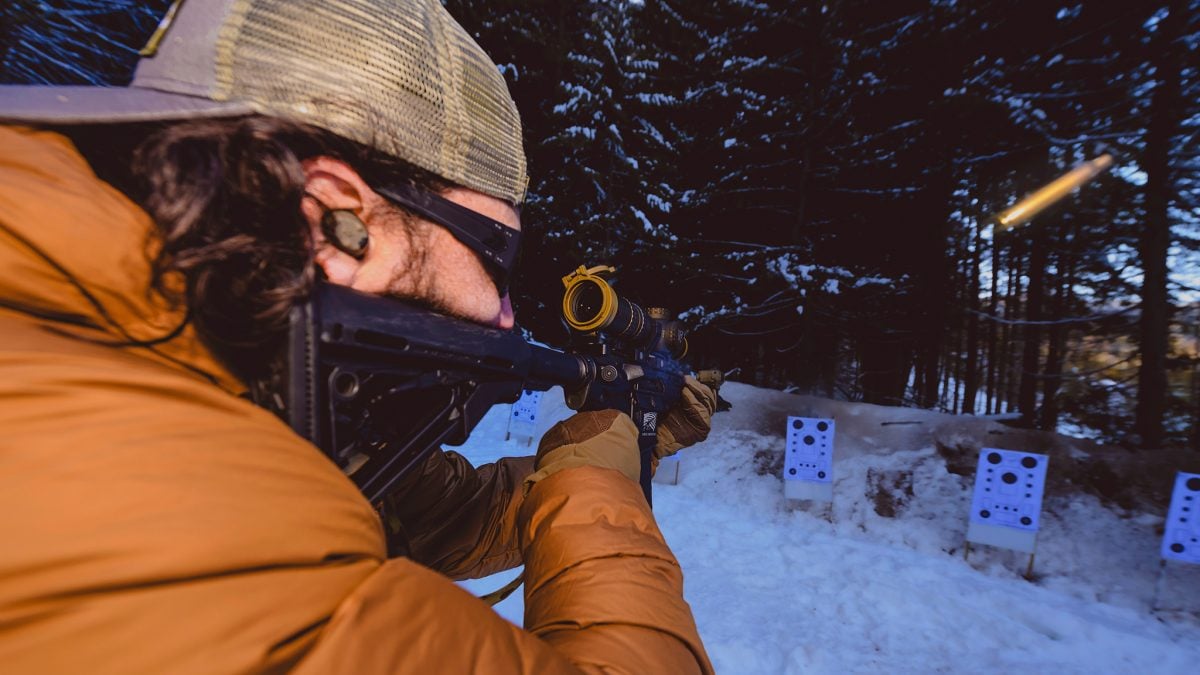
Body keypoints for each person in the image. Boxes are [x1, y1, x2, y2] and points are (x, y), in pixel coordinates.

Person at [0, 0, 717, 672]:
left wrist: (612, 446)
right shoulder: (161, 495)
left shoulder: (188, 363)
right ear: (340, 219)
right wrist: (598, 486)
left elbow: (424, 517)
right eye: (495, 256)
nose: (505, 313)